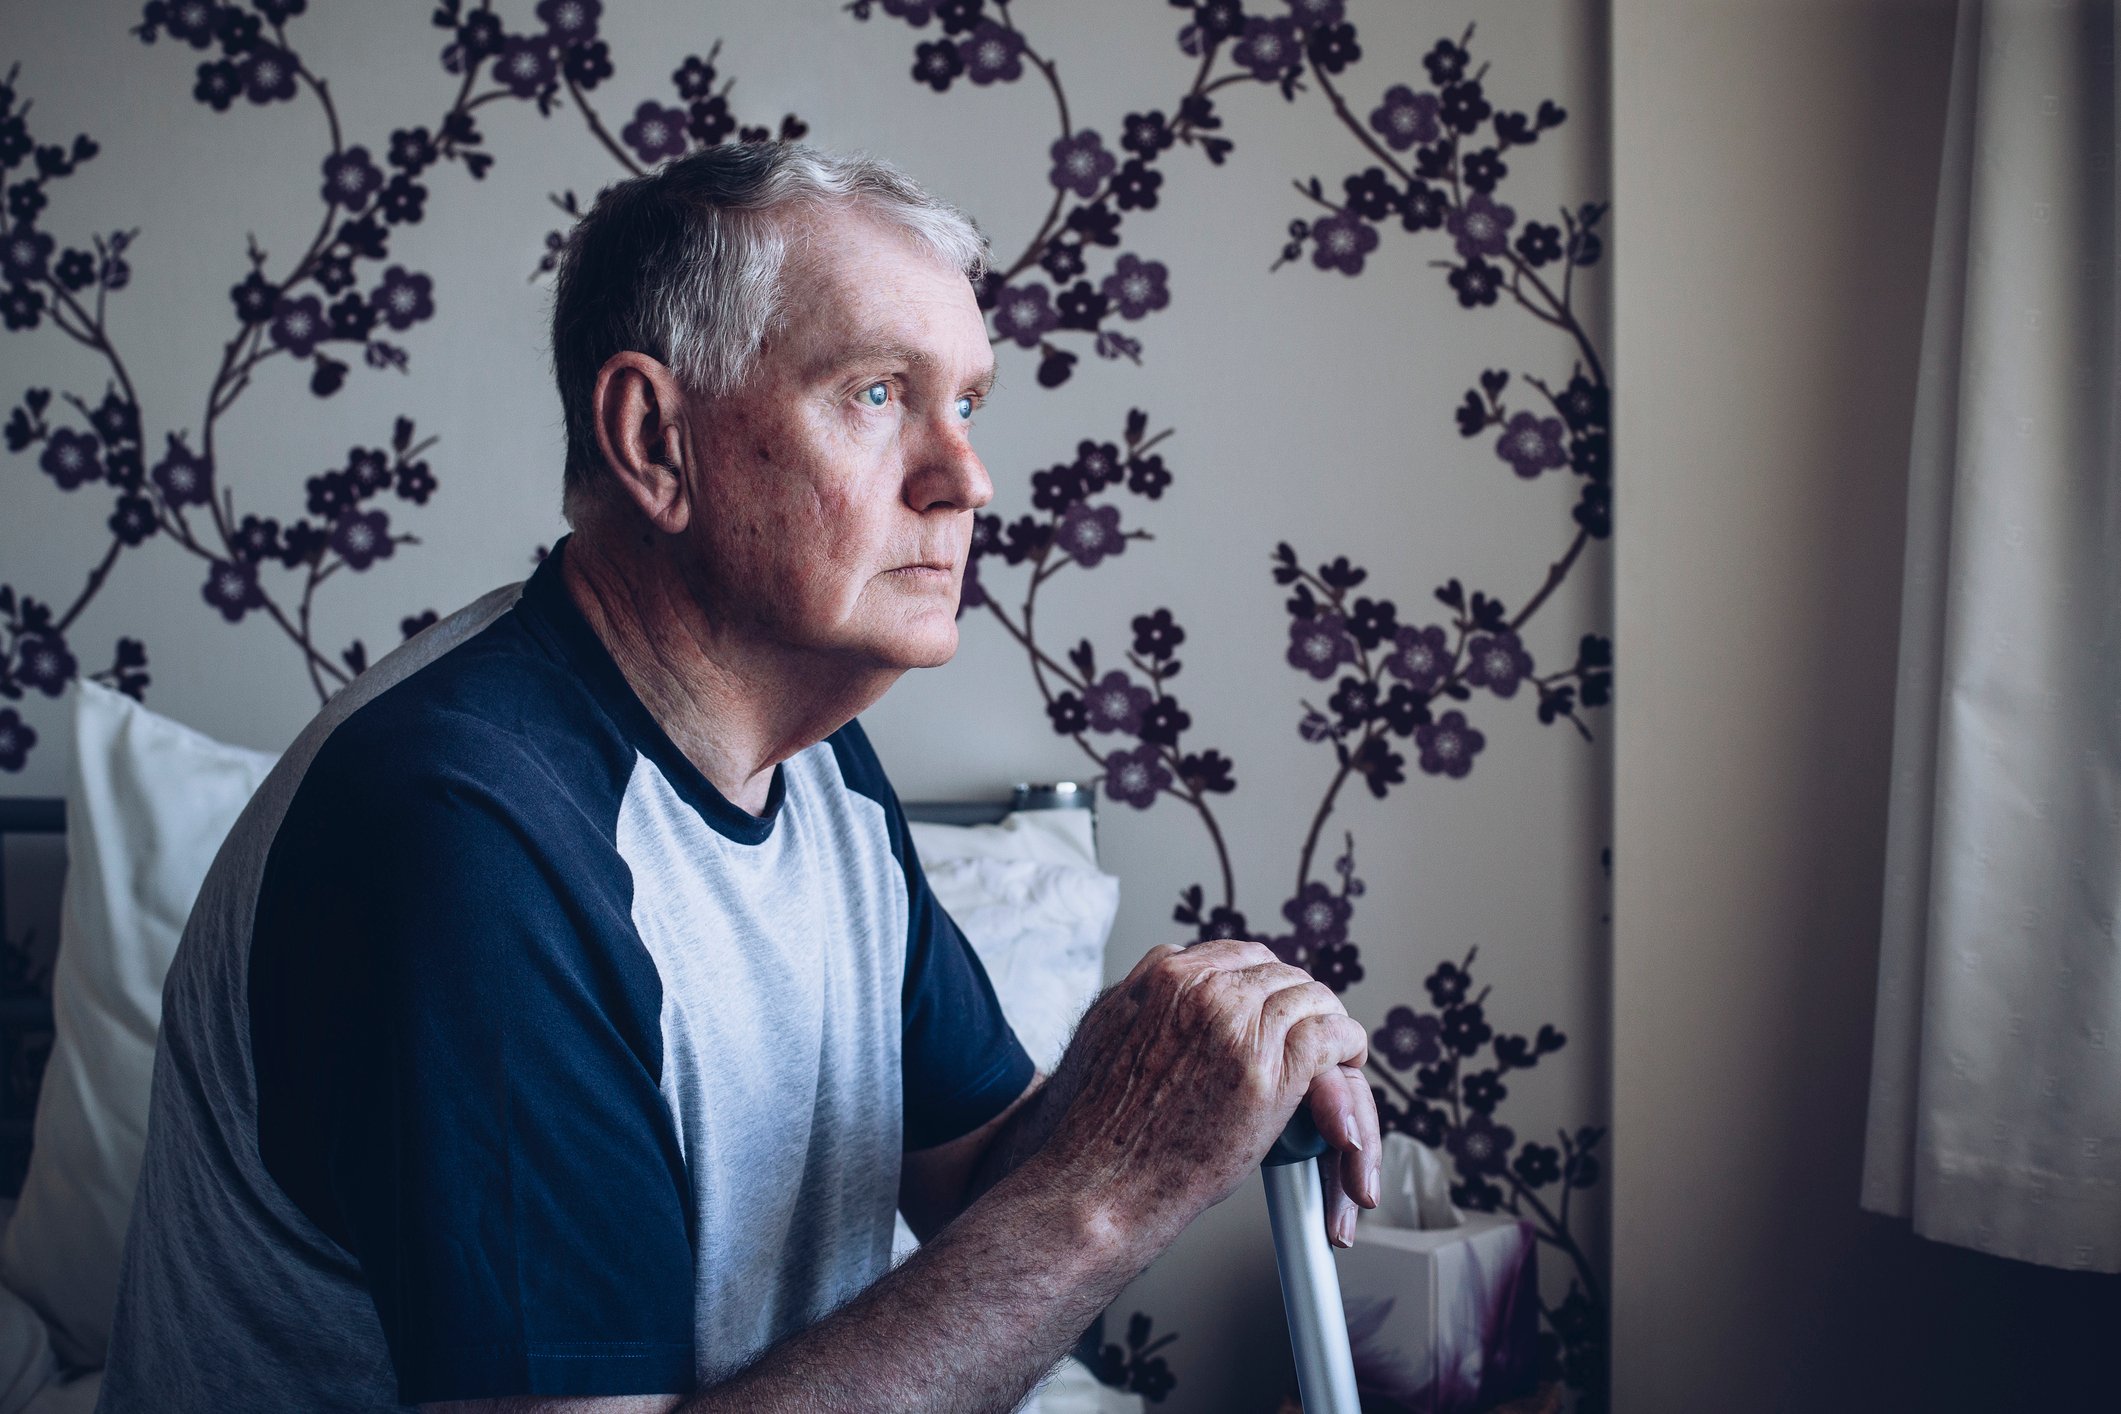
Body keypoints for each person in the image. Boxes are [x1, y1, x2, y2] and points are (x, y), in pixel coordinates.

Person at [99, 143, 1379, 1414]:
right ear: (656, 440)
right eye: (879, 392)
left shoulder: (809, 754)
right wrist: (1108, 1196)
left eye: (969, 402)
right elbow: (1057, 1216)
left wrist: (1172, 1073)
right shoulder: (468, 837)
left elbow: (979, 1175)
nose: (968, 479)